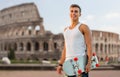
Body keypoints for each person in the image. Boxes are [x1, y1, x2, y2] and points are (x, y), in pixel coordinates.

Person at [56, 4, 92, 77]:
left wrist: (89, 63)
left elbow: (89, 46)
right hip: (68, 64)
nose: (73, 13)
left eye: (76, 11)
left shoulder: (83, 27)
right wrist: (60, 64)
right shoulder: (66, 30)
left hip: (81, 63)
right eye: (72, 11)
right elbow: (65, 48)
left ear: (80, 14)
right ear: (69, 13)